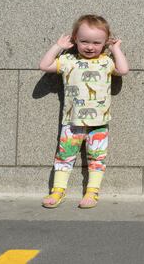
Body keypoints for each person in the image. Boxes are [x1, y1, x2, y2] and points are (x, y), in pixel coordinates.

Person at [38, 14, 129, 209]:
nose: (90, 46)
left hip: (99, 123)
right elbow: (44, 65)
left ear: (104, 43)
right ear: (75, 39)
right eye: (84, 41)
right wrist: (58, 47)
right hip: (71, 122)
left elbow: (123, 70)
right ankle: (58, 190)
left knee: (97, 158)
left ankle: (92, 191)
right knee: (64, 156)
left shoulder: (106, 62)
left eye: (96, 42)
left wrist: (116, 49)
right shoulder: (68, 60)